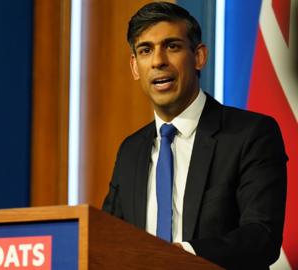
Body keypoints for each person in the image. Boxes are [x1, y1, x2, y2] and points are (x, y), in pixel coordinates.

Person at [101, 2, 287, 269]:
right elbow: (107, 241)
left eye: (172, 46)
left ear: (199, 57)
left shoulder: (250, 134)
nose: (158, 61)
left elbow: (262, 237)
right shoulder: (131, 151)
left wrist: (179, 256)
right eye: (145, 50)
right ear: (134, 67)